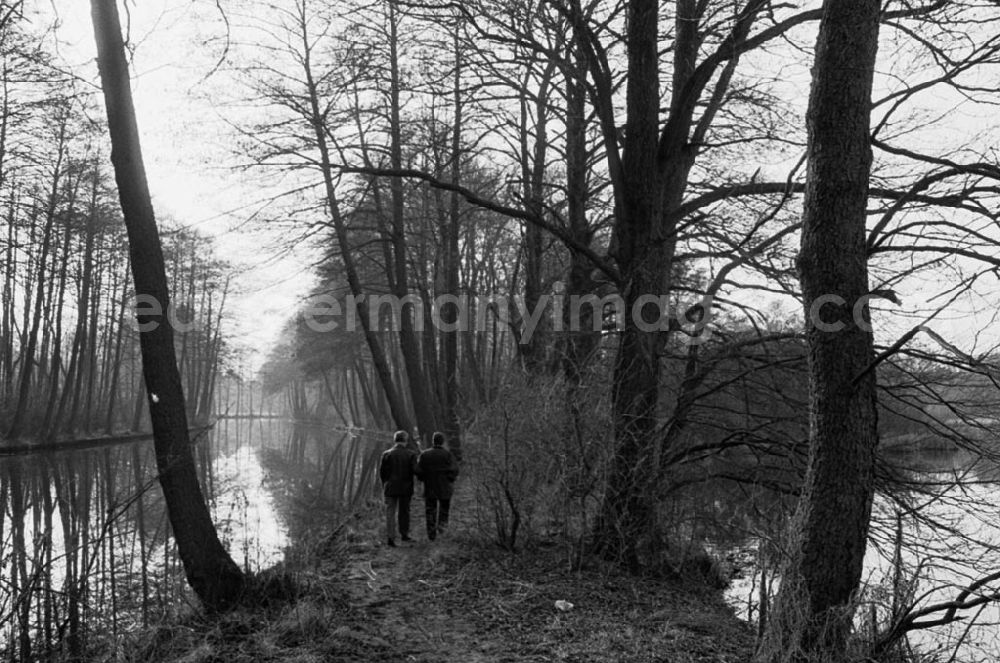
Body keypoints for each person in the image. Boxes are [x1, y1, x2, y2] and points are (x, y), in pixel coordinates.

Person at [417, 432, 459, 541]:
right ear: (443, 442)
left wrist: (423, 479)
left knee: (430, 510)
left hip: (430, 486)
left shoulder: (425, 455)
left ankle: (431, 534)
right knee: (444, 509)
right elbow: (455, 470)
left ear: (433, 441)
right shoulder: (448, 454)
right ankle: (442, 530)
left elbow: (419, 470)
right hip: (444, 486)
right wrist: (450, 479)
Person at [379, 430, 418, 547]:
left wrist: (384, 485)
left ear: (395, 440)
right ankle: (404, 535)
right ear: (405, 440)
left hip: (390, 487)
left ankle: (391, 538)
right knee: (404, 511)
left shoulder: (386, 454)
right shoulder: (411, 454)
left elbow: (382, 473)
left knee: (390, 512)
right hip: (406, 488)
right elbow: (416, 470)